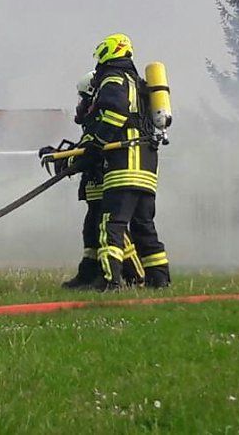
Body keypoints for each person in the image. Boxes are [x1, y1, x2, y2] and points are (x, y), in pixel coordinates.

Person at [78, 33, 171, 290]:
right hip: (147, 165)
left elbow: (115, 112)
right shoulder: (138, 83)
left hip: (124, 164)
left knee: (111, 223)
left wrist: (97, 142)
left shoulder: (113, 78)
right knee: (144, 226)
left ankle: (111, 281)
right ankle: (159, 280)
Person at [47, 71, 145, 289]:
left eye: (83, 98)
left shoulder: (102, 120)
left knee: (111, 230)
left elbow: (91, 151)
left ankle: (134, 274)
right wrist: (59, 155)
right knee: (91, 230)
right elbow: (84, 149)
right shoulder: (94, 121)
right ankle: (89, 273)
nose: (81, 104)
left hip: (106, 180)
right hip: (95, 185)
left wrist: (67, 158)